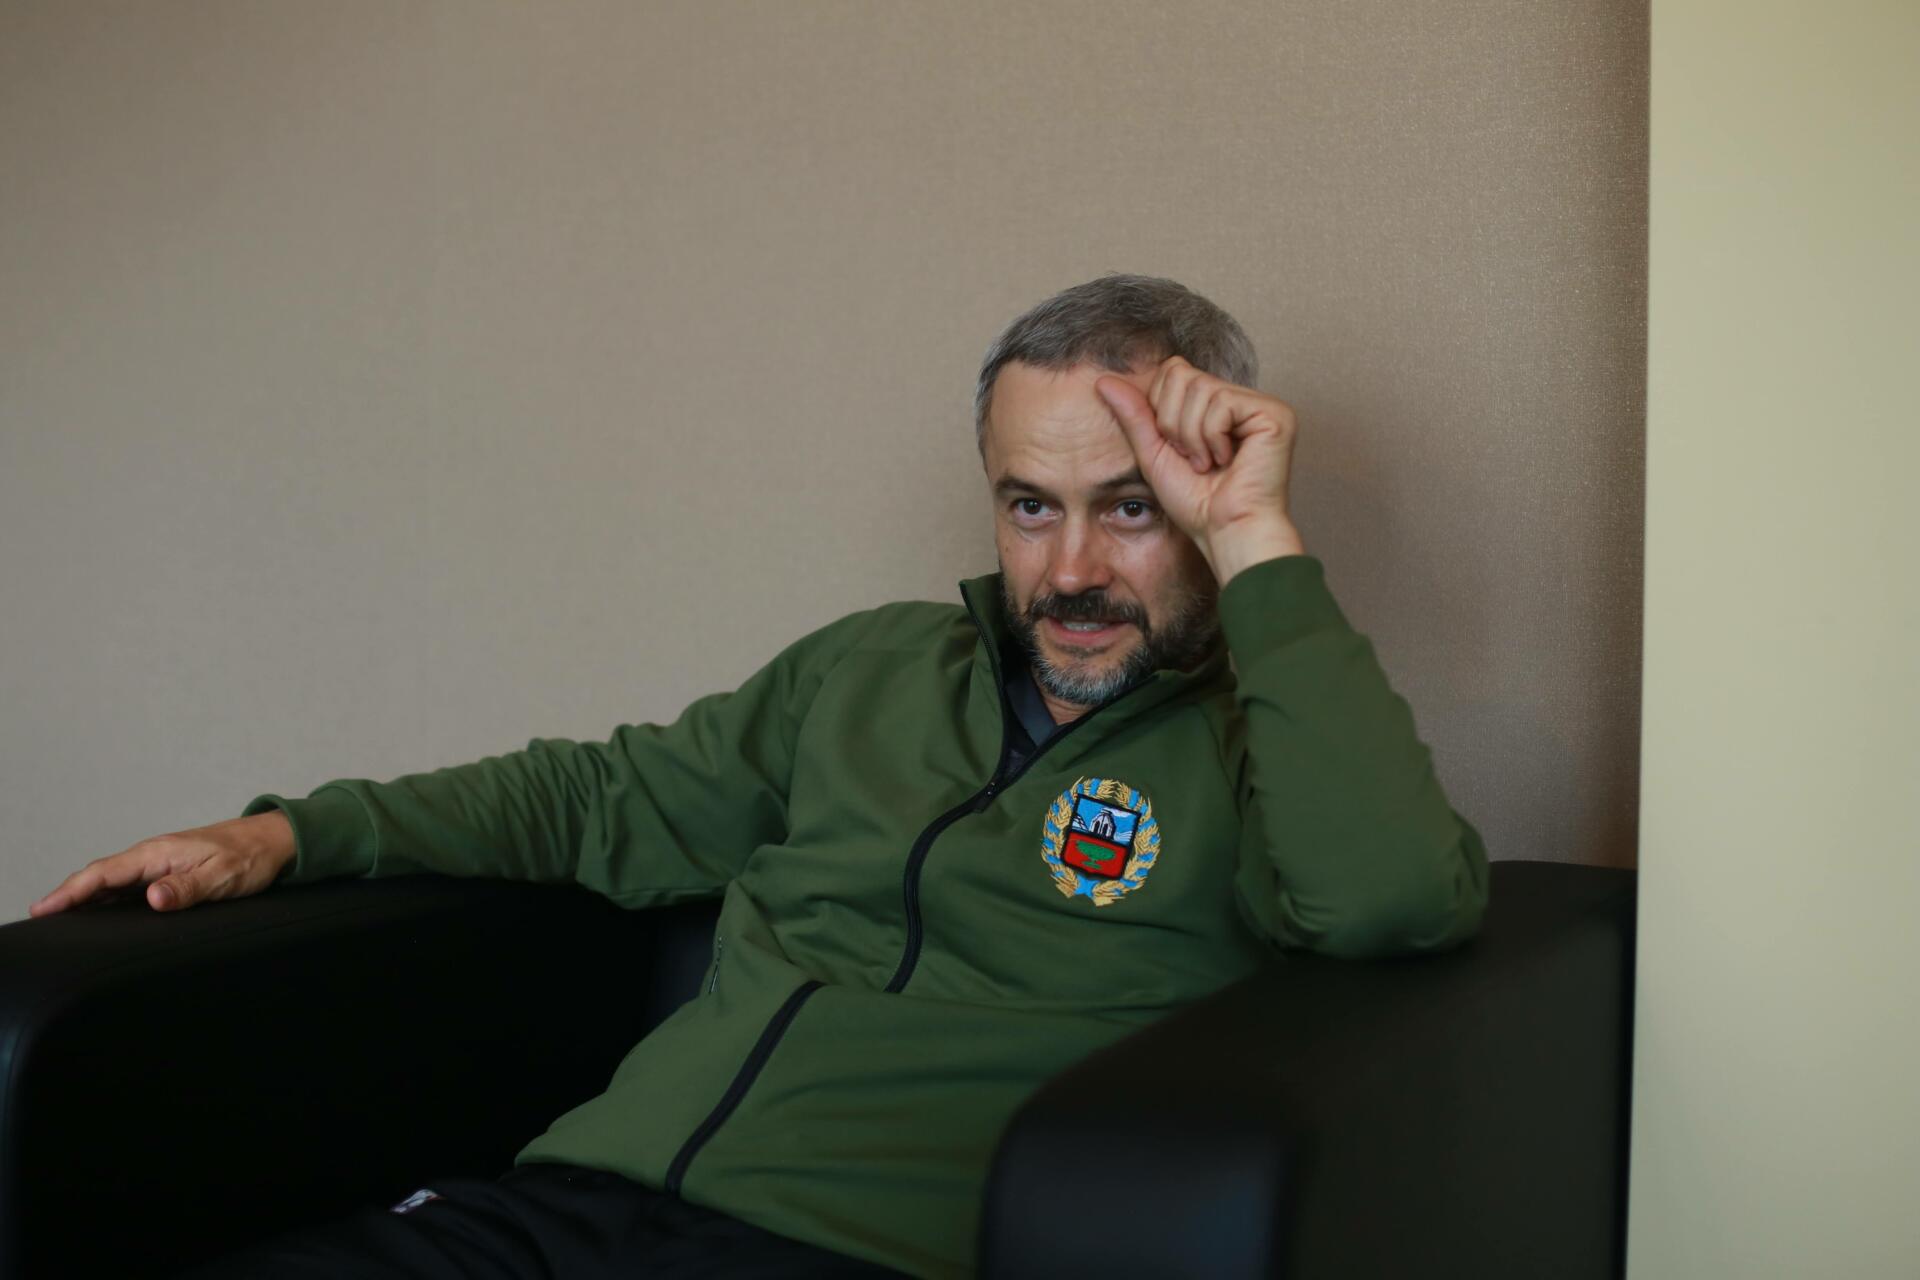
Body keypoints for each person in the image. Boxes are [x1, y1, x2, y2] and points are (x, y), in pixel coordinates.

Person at [30, 273, 1491, 1278]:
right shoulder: (870, 670)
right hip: (571, 1205)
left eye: (1130, 511)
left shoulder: (1266, 734)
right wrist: (292, 836)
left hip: (856, 1252)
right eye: (1028, 506)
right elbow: (600, 799)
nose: (1068, 572)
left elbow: (1392, 903)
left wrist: (1255, 544)